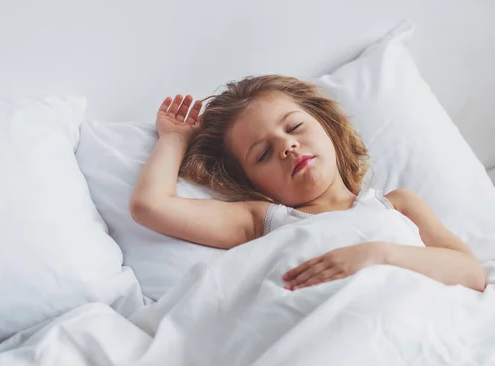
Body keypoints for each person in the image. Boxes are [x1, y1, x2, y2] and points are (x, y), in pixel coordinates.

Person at [130, 75, 485, 292]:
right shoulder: (263, 219)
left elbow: (470, 272)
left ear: (327, 126)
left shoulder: (399, 205)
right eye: (263, 153)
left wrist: (378, 254)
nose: (286, 145)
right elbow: (151, 206)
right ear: (251, 182)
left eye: (294, 127)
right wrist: (174, 139)